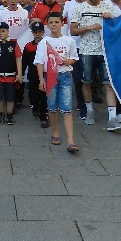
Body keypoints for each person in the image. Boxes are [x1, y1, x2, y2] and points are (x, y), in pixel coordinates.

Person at [70, 0, 121, 132]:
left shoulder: (108, 6)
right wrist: (89, 27)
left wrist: (112, 18)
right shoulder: (79, 8)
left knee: (108, 84)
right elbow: (73, 30)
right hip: (87, 51)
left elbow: (117, 27)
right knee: (86, 82)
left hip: (105, 51)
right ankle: (89, 111)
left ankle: (112, 118)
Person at [35, 12, 79, 152]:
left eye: (56, 22)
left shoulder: (69, 41)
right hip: (51, 76)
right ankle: (55, 132)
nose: (53, 25)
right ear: (47, 25)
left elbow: (74, 58)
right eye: (51, 22)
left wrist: (68, 61)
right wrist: (41, 79)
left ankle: (71, 140)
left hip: (65, 75)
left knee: (67, 107)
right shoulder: (44, 42)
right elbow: (40, 62)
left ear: (62, 23)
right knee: (52, 106)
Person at [62, 0, 87, 119]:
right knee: (77, 78)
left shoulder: (92, 4)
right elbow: (60, 18)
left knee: (87, 77)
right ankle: (82, 105)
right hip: (74, 46)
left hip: (90, 46)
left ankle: (87, 102)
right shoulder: (68, 4)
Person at [22, 22, 49, 127]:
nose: (38, 34)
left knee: (44, 96)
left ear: (43, 32)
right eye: (35, 32)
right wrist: (21, 73)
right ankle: (34, 106)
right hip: (33, 74)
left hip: (45, 74)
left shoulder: (47, 45)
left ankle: (44, 117)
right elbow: (24, 61)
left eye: (40, 32)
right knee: (33, 95)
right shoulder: (28, 46)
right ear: (32, 33)